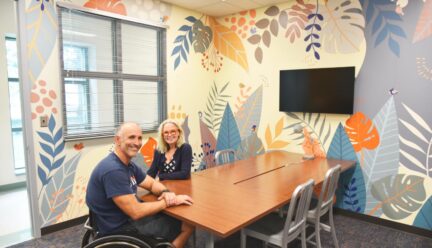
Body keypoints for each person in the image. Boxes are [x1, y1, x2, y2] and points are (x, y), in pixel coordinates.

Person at [86, 122, 194, 248]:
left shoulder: (127, 164)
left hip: (122, 217)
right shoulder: (114, 170)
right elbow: (136, 211)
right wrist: (172, 201)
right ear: (117, 140)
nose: (137, 143)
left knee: (173, 216)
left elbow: (151, 183)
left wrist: (166, 193)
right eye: (131, 137)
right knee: (187, 224)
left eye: (139, 138)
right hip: (121, 227)